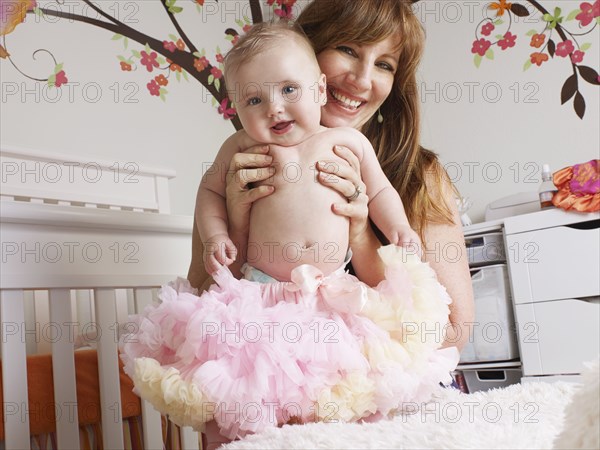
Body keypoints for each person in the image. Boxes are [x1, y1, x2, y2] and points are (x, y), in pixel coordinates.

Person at [188, 0, 474, 351]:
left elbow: (452, 334)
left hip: (357, 355)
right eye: (348, 49)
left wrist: (365, 232)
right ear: (310, 49)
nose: (362, 79)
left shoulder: (414, 173)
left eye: (384, 64)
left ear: (317, 85)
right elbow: (203, 309)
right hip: (264, 319)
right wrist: (235, 226)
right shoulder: (242, 158)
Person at [198, 21, 420, 282]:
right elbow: (210, 190)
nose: (274, 108)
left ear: (320, 90)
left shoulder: (348, 140)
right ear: (237, 108)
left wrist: (399, 227)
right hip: (261, 287)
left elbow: (380, 191)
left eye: (289, 89)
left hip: (331, 287)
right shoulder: (241, 146)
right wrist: (215, 236)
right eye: (254, 100)